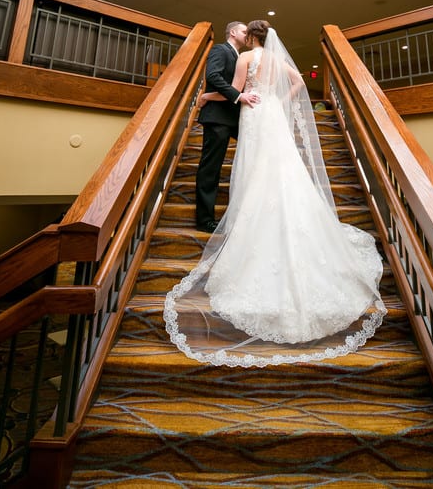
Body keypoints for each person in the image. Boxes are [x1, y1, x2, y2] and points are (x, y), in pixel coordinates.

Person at [164, 20, 386, 366]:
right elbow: (298, 83)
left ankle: (252, 217)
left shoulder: (246, 58)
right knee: (283, 167)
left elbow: (236, 89)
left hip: (253, 113)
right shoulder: (278, 60)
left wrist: (226, 96)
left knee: (254, 170)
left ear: (249, 36)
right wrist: (277, 99)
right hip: (272, 115)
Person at [194, 21, 259, 232]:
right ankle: (205, 220)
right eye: (243, 31)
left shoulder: (241, 57)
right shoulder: (220, 50)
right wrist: (238, 96)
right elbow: (213, 75)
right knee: (210, 169)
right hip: (217, 118)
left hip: (235, 118)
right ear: (232, 32)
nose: (247, 34)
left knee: (259, 152)